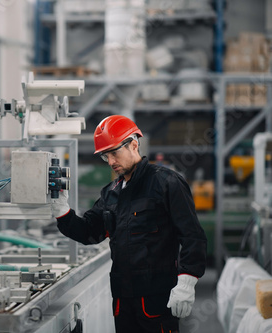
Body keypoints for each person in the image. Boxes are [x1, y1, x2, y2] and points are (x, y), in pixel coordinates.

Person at [52, 115, 207, 333]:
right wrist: (62, 212)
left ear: (134, 144)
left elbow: (192, 236)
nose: (111, 161)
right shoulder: (110, 193)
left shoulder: (166, 183)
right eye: (106, 156)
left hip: (156, 298)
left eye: (114, 152)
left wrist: (187, 281)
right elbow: (90, 232)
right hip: (122, 300)